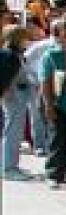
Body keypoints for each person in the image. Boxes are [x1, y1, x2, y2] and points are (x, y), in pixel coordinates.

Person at [36, 15, 66, 186]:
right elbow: (45, 82)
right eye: (64, 35)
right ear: (58, 36)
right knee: (57, 139)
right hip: (58, 103)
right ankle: (54, 174)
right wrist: (48, 106)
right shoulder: (50, 56)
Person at [0, 24, 34, 180]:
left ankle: (11, 165)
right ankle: (8, 168)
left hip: (18, 94)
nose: (28, 40)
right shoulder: (9, 55)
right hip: (13, 95)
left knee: (15, 131)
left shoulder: (15, 54)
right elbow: (5, 76)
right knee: (12, 131)